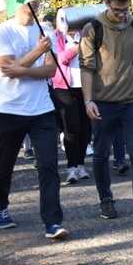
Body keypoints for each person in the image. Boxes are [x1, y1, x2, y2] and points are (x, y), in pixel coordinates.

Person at [79, 0, 133, 226]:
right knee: (102, 154)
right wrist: (87, 100)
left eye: (126, 10)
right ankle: (106, 199)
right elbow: (86, 67)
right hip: (103, 103)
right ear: (107, 4)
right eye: (117, 10)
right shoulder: (92, 29)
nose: (122, 15)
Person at [0, 0, 68, 239]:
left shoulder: (46, 30)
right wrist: (38, 51)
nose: (35, 0)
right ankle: (1, 208)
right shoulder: (4, 31)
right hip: (8, 110)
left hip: (42, 109)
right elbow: (7, 70)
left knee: (49, 165)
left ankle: (52, 222)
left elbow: (51, 69)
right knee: (3, 166)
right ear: (15, 2)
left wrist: (21, 67)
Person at [51, 10, 92, 184]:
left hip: (84, 87)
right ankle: (71, 167)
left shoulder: (85, 34)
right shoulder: (56, 37)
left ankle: (81, 165)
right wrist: (76, 48)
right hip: (63, 88)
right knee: (72, 127)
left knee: (85, 128)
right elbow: (59, 59)